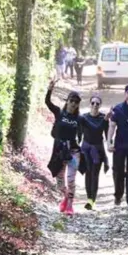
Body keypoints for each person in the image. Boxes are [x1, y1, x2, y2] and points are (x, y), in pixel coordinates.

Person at [45, 78, 82, 215]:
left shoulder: (79, 119)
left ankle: (70, 206)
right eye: (71, 101)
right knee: (60, 182)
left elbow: (87, 131)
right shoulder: (59, 113)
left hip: (73, 152)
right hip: (60, 152)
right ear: (67, 101)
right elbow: (48, 103)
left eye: (76, 102)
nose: (73, 104)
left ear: (78, 105)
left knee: (71, 180)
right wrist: (50, 89)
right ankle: (65, 196)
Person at [79, 93, 109, 210]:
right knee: (88, 173)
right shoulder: (84, 117)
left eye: (97, 103)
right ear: (90, 104)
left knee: (95, 174)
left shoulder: (104, 118)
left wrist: (110, 144)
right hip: (86, 148)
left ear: (100, 105)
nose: (95, 105)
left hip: (98, 149)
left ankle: (92, 201)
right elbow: (79, 134)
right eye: (93, 103)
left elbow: (107, 135)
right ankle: (89, 199)